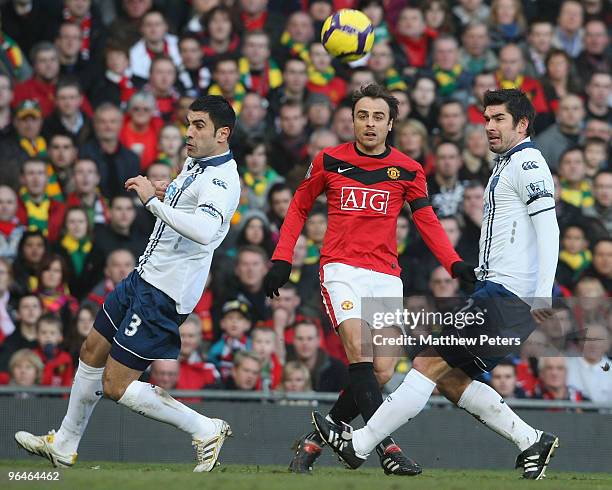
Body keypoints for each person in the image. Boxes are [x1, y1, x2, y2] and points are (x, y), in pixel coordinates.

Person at [313, 89, 561, 481]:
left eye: (499, 119)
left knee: (427, 364)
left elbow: (548, 225)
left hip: (510, 294)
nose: (490, 127)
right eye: (487, 118)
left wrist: (542, 291)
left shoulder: (527, 163)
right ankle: (531, 440)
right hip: (497, 292)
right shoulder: (508, 162)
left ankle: (358, 444)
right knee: (450, 379)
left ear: (522, 124)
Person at [15, 95, 240, 473]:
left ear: (223, 134)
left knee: (116, 385)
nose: (189, 131)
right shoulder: (197, 164)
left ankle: (205, 429)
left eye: (198, 125)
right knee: (91, 348)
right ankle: (65, 445)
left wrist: (153, 201)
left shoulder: (221, 179)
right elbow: (189, 205)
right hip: (143, 276)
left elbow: (203, 230)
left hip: (165, 293)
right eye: (188, 123)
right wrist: (170, 191)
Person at [265, 83, 475, 475]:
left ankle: (319, 436)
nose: (370, 123)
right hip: (341, 270)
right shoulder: (328, 160)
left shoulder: (409, 170)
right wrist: (282, 258)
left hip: (385, 276)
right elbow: (298, 207)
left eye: (378, 117)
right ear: (353, 120)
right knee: (360, 355)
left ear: (391, 123)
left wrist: (455, 264)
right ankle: (387, 450)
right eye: (363, 116)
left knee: (382, 371)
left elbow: (426, 221)